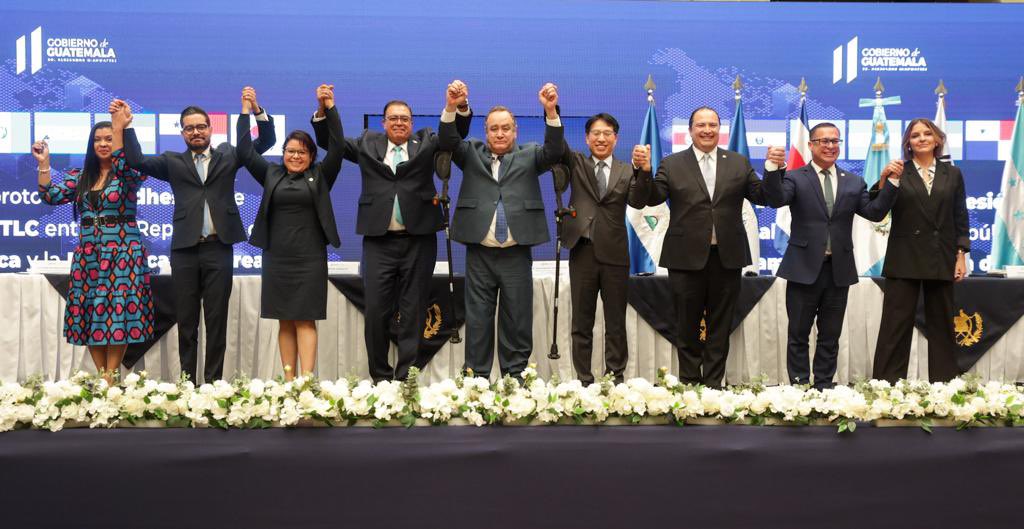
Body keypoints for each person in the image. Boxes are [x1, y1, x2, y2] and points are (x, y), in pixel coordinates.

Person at [310, 82, 472, 383]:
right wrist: (326, 110)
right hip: (378, 241)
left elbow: (454, 136)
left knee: (414, 311)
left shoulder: (426, 142)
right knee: (375, 311)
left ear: (412, 124)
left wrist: (455, 107)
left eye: (405, 119)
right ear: (384, 123)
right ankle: (380, 378)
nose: (399, 123)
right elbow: (331, 143)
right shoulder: (368, 144)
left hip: (419, 240)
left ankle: (405, 378)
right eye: (393, 118)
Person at [118, 89, 276, 384]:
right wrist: (127, 126)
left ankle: (214, 384)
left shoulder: (231, 154)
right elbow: (136, 160)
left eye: (201, 126)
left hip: (219, 248)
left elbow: (266, 141)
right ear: (182, 133)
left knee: (217, 321)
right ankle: (187, 384)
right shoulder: (172, 161)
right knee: (187, 322)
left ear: (210, 128)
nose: (196, 132)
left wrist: (256, 109)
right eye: (189, 128)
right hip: (184, 251)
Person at [632, 106, 780, 388]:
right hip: (685, 259)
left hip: (727, 258)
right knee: (686, 327)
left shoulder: (738, 162)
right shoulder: (672, 163)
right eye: (701, 125)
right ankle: (689, 385)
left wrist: (772, 169)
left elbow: (764, 197)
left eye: (713, 124)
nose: (707, 130)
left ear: (720, 130)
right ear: (690, 130)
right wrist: (644, 172)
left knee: (720, 327)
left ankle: (713, 387)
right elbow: (648, 199)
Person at [439, 82, 564, 379]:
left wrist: (550, 111)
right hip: (479, 252)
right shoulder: (471, 153)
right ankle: (477, 376)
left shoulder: (530, 155)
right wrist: (450, 107)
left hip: (516, 253)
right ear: (486, 131)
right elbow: (447, 141)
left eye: (505, 128)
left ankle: (515, 375)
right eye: (494, 128)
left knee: (517, 317)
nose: (499, 133)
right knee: (478, 319)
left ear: (515, 131)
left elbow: (555, 150)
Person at [763, 123, 899, 389]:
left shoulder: (853, 181)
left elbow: (874, 213)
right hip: (802, 268)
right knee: (798, 334)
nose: (830, 146)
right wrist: (770, 168)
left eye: (835, 141)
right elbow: (776, 199)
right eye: (823, 141)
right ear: (811, 145)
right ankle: (800, 387)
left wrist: (891, 183)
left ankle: (824, 385)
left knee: (830, 335)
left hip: (838, 270)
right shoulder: (794, 177)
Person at [34, 108, 154, 384]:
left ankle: (111, 377)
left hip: (123, 253)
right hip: (89, 256)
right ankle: (103, 378)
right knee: (91, 312)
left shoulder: (129, 172)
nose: (103, 143)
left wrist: (120, 128)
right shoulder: (80, 175)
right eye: (98, 139)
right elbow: (50, 196)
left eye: (109, 139)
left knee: (118, 313)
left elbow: (126, 165)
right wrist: (44, 163)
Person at [236, 84, 343, 380]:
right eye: (290, 151)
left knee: (305, 320)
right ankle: (288, 381)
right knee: (284, 320)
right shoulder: (271, 173)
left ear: (310, 156)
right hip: (277, 256)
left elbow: (338, 145)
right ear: (283, 153)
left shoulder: (321, 175)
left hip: (310, 257)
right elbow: (244, 150)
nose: (295, 156)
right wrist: (248, 111)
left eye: (301, 152)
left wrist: (329, 107)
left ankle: (306, 381)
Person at [872, 118, 969, 383]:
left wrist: (960, 254)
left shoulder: (953, 174)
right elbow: (877, 211)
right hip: (904, 257)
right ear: (908, 144)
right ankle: (885, 387)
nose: (922, 138)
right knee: (895, 326)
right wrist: (883, 180)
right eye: (915, 135)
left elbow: (960, 215)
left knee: (942, 326)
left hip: (942, 257)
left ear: (938, 140)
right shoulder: (897, 171)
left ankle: (945, 387)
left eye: (928, 133)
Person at [556, 113, 647, 384]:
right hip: (581, 251)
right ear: (586, 138)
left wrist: (643, 172)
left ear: (616, 138)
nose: (601, 138)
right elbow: (556, 144)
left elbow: (639, 201)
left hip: (615, 254)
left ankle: (615, 377)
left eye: (607, 133)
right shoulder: (576, 163)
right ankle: (584, 379)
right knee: (581, 323)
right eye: (595, 133)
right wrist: (552, 112)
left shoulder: (627, 169)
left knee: (615, 322)